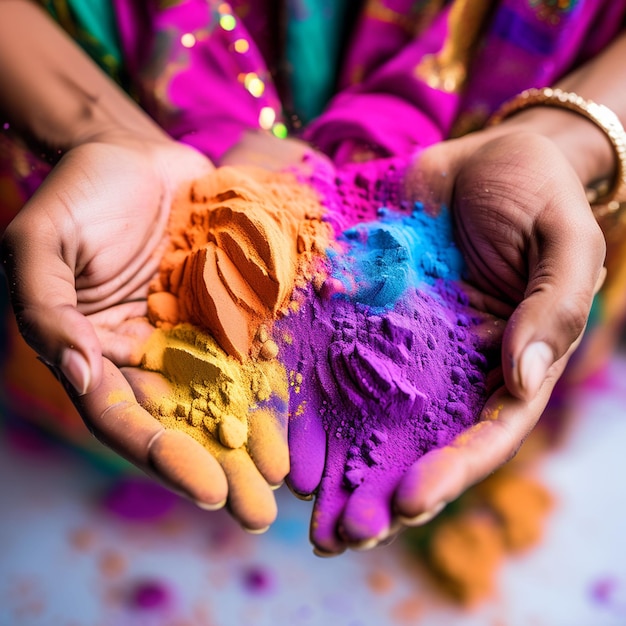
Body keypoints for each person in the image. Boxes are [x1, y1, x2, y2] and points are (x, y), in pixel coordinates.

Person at [1, 0, 625, 552]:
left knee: (529, 324)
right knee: (120, 383)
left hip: (530, 65)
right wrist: (98, 125)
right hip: (107, 78)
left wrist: (567, 138)